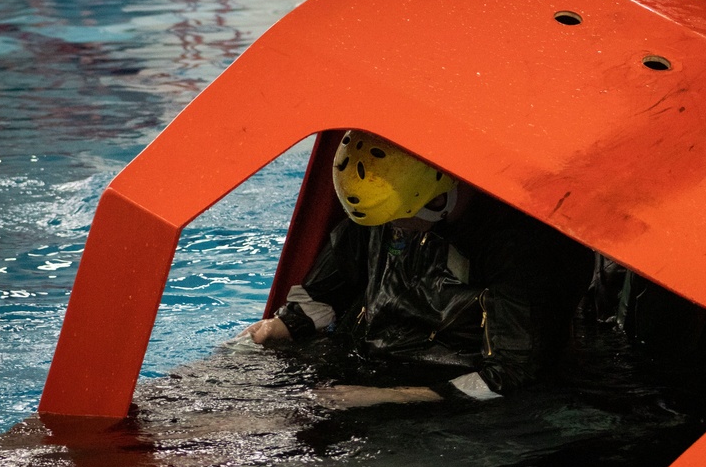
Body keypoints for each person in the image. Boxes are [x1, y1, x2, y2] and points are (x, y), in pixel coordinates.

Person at [242, 130, 595, 407]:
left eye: (399, 219)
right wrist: (282, 326)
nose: (392, 229)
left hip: (451, 393)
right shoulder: (380, 217)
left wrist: (391, 397)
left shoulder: (519, 247)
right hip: (366, 362)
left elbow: (514, 375)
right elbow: (326, 293)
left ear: (436, 198)